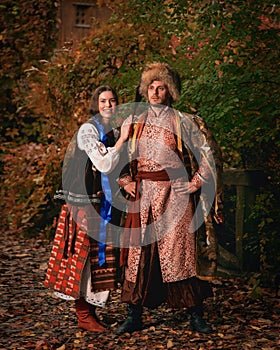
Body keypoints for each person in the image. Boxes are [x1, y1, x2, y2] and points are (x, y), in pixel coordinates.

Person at [116, 62, 223, 334]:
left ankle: (195, 315)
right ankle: (134, 314)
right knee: (140, 256)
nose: (155, 92)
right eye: (151, 87)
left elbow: (207, 154)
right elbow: (119, 159)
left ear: (170, 91)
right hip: (142, 198)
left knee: (181, 255)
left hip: (175, 198)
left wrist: (195, 182)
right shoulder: (134, 123)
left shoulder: (184, 121)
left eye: (160, 87)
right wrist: (125, 180)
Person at [44, 85, 130, 332]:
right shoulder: (87, 130)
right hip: (83, 204)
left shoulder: (111, 131)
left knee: (98, 259)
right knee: (83, 258)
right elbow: (103, 163)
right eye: (103, 101)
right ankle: (83, 313)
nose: (108, 105)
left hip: (102, 203)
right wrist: (124, 139)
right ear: (96, 104)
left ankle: (90, 311)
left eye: (112, 100)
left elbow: (117, 163)